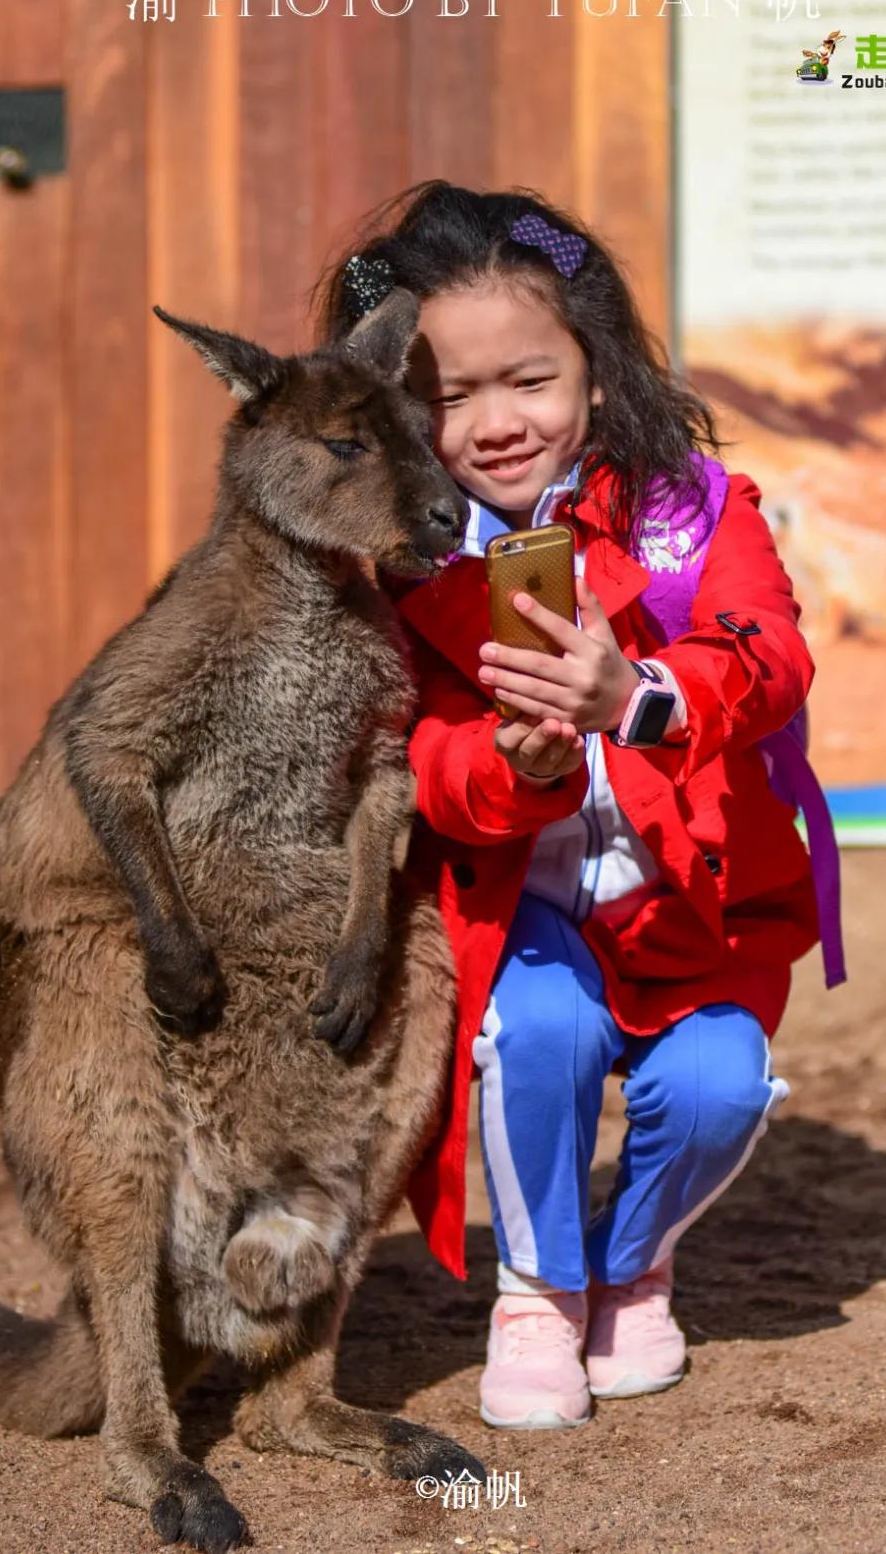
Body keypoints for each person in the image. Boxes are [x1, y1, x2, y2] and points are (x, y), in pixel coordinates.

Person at [314, 181, 825, 1431]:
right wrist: (517, 767)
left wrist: (635, 694)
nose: (492, 424)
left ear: (595, 372)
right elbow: (411, 758)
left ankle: (631, 1261)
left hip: (695, 902)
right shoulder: (393, 565)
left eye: (528, 379)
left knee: (716, 1088)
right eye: (446, 396)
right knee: (533, 1038)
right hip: (521, 911)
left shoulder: (691, 512)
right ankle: (537, 1292)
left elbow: (771, 659)